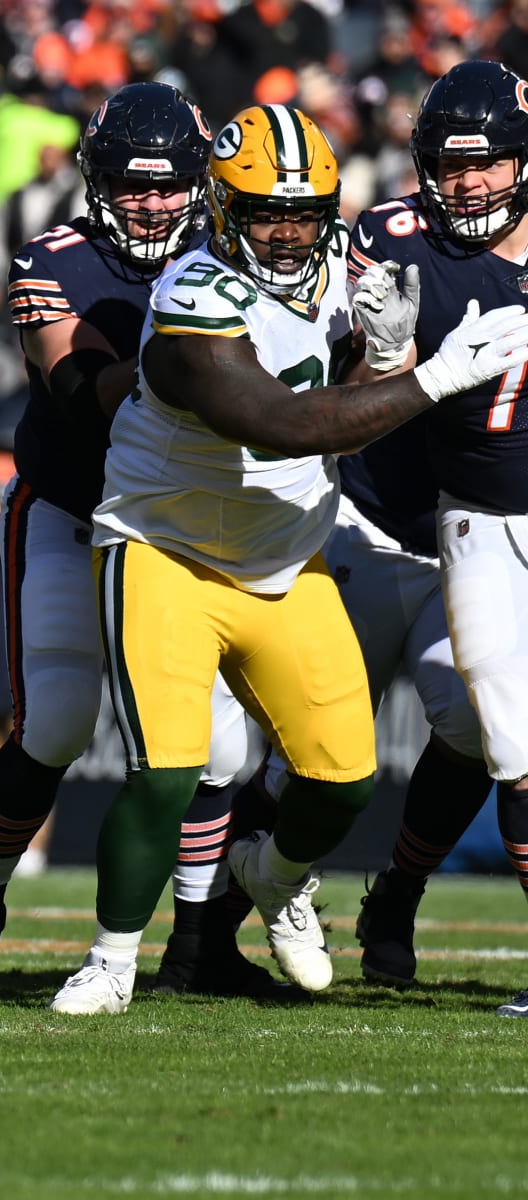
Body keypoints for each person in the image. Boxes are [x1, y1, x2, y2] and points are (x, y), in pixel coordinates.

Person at [49, 103, 528, 1015]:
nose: (288, 229)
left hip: (284, 558)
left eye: (306, 212)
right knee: (166, 772)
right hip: (167, 551)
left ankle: (273, 876)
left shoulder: (342, 276)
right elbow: (277, 426)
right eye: (268, 210)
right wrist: (427, 377)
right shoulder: (193, 290)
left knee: (343, 780)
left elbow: (337, 402)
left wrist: (381, 356)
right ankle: (110, 962)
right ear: (224, 208)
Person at [0, 83, 270, 1004]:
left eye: (170, 188)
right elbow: (76, 389)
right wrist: (184, 362)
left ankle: (196, 942)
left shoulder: (236, 252)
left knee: (219, 747)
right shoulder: (56, 258)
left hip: (181, 526)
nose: (153, 204)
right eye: (133, 186)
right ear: (95, 182)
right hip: (74, 512)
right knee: (59, 722)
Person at [345, 61, 528, 1018]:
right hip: (452, 515)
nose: (467, 185)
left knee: (492, 733)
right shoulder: (394, 238)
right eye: (448, 167)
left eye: (488, 165)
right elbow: (344, 381)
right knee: (503, 733)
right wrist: (386, 352)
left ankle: (399, 897)